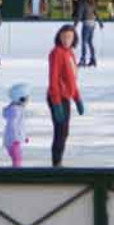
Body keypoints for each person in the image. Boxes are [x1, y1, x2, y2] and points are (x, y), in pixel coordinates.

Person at [45, 26, 85, 167]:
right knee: (60, 132)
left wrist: (77, 98)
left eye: (70, 37)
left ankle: (58, 162)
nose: (67, 39)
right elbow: (54, 79)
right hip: (57, 97)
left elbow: (72, 80)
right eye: (64, 36)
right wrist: (56, 103)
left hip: (65, 96)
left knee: (65, 132)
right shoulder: (57, 53)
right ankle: (56, 164)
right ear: (59, 37)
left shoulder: (70, 54)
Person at [2, 82, 30, 168]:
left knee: (17, 159)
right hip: (13, 141)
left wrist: (24, 136)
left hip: (14, 140)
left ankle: (15, 173)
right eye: (27, 98)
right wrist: (16, 139)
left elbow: (20, 126)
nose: (28, 101)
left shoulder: (18, 109)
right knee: (17, 159)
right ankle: (16, 175)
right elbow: (12, 126)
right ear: (21, 98)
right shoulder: (15, 110)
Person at [72, 0, 99, 67]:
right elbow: (95, 13)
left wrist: (74, 25)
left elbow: (79, 15)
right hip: (93, 23)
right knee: (90, 42)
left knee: (84, 42)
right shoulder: (92, 1)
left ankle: (83, 59)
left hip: (87, 23)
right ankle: (93, 59)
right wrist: (100, 23)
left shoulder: (83, 3)